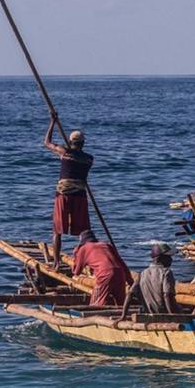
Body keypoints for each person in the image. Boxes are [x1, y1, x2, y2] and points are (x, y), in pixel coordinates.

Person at [44, 114, 94, 269]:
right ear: (83, 143)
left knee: (57, 230)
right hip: (80, 196)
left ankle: (57, 262)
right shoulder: (89, 159)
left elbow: (47, 143)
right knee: (84, 230)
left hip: (64, 195)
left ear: (71, 142)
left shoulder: (65, 153)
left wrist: (52, 123)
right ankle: (86, 262)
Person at [72, 230, 133, 307]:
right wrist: (130, 281)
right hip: (120, 274)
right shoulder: (106, 245)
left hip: (105, 275)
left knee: (95, 305)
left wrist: (75, 254)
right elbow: (122, 264)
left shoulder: (83, 249)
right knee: (121, 305)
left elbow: (76, 271)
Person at [120, 243, 181, 318]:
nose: (171, 260)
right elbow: (167, 295)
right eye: (168, 257)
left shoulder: (142, 274)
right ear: (159, 259)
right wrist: (172, 315)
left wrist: (123, 315)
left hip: (149, 313)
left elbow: (130, 294)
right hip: (164, 313)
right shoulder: (166, 272)